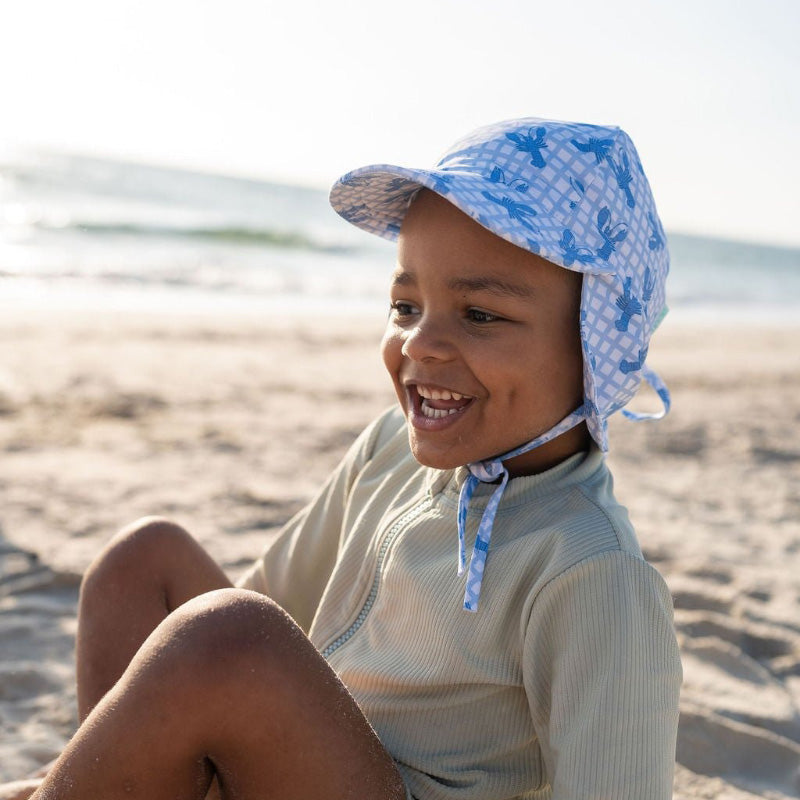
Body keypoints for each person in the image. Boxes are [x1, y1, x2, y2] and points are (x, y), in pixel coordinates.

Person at [22, 117, 681, 800]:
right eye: (405, 304)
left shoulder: (592, 571)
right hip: (302, 764)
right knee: (144, 560)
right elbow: (270, 608)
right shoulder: (390, 449)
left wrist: (227, 653)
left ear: (598, 350)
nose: (420, 343)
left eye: (479, 315)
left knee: (227, 637)